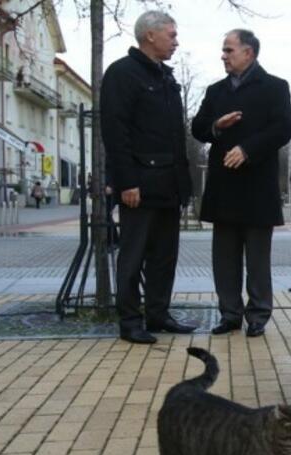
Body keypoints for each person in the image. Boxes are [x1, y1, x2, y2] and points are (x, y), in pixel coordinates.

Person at [101, 10, 196, 344]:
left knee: (164, 256)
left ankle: (158, 314)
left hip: (168, 184)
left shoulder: (166, 78)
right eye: (172, 35)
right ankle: (129, 321)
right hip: (138, 185)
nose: (176, 41)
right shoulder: (122, 74)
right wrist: (126, 182)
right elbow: (115, 132)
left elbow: (174, 137)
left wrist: (184, 185)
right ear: (150, 35)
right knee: (133, 255)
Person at [192, 29, 291, 337]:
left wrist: (248, 150)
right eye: (223, 50)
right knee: (224, 258)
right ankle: (229, 314)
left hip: (257, 188)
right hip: (224, 188)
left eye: (228, 50)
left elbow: (283, 128)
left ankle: (258, 315)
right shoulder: (215, 91)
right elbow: (197, 129)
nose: (223, 55)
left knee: (258, 259)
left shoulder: (275, 87)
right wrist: (216, 127)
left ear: (249, 53)